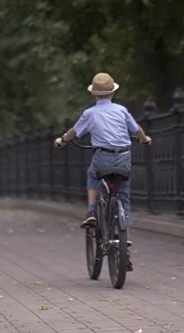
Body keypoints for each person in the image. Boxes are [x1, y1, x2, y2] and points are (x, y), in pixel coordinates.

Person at [54, 72, 152, 271]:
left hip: (103, 157)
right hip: (124, 157)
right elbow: (137, 129)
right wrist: (144, 139)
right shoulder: (122, 110)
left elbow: (74, 132)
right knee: (124, 198)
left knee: (92, 174)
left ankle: (91, 211)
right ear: (113, 93)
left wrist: (62, 140)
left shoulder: (90, 114)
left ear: (94, 95)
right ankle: (125, 249)